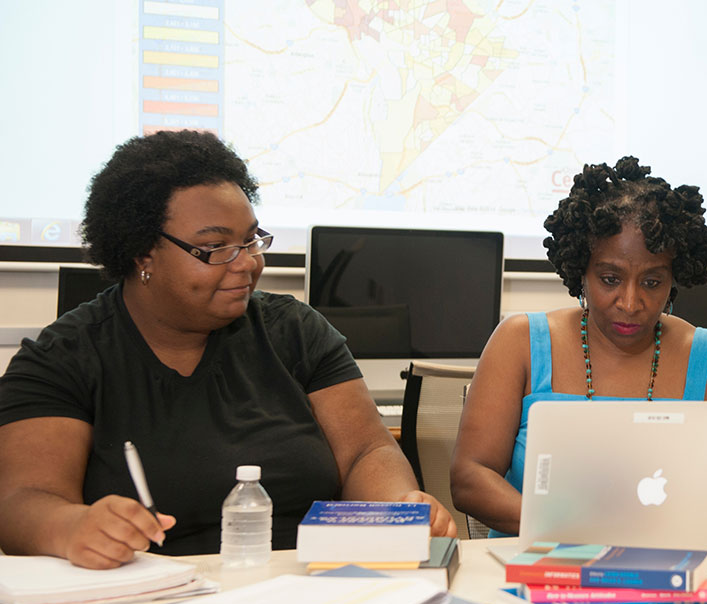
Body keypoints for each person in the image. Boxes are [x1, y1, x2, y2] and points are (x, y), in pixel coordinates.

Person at [0, 130, 456, 569]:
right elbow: (23, 501)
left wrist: (400, 506)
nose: (248, 263)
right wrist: (73, 526)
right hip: (146, 597)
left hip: (309, 586)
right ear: (142, 254)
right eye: (215, 247)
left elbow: (365, 452)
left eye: (251, 240)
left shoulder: (296, 330)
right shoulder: (65, 356)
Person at [450, 156, 707, 536]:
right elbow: (470, 478)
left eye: (652, 283)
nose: (631, 303)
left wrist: (690, 516)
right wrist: (572, 525)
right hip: (539, 571)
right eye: (609, 278)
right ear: (580, 271)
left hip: (677, 567)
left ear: (674, 279)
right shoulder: (520, 343)